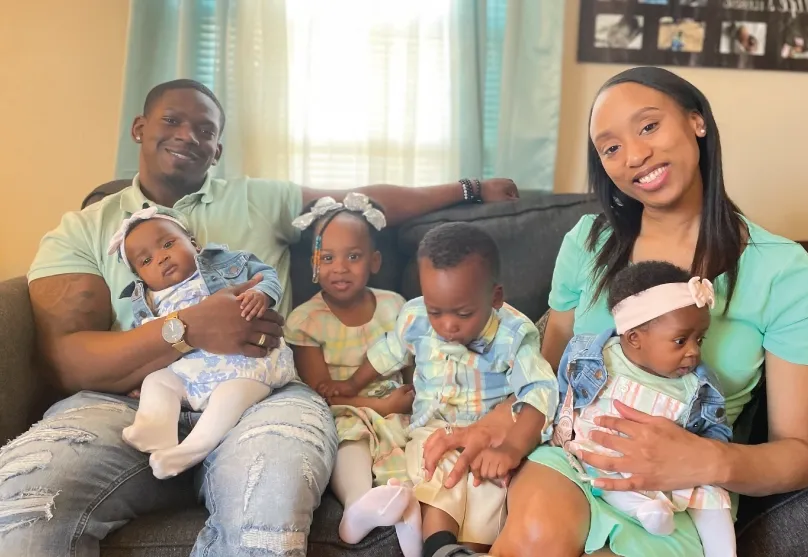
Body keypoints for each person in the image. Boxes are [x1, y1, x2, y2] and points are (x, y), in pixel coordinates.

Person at [0, 78, 518, 557]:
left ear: (218, 149)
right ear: (139, 128)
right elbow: (65, 358)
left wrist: (467, 189)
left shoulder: (256, 199)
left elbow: (361, 206)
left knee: (272, 499)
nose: (188, 136)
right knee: (28, 497)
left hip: (263, 395)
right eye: (172, 121)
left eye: (205, 130)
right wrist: (187, 329)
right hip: (128, 401)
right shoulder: (85, 230)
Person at [418, 66, 808, 557]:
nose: (634, 155)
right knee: (536, 537)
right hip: (572, 461)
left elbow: (801, 455)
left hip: (679, 495)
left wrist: (706, 460)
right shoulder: (588, 243)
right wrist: (493, 424)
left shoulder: (783, 270)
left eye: (649, 126)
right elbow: (544, 376)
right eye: (610, 147)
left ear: (696, 121)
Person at [337, 222, 558, 557]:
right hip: (431, 428)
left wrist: (511, 448)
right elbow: (387, 353)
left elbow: (540, 391)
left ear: (495, 297)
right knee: (437, 472)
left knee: (487, 486)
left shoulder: (514, 334)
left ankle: (466, 549)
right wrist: (350, 385)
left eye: (464, 313)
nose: (447, 325)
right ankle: (439, 546)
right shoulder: (414, 317)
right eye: (435, 311)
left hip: (490, 434)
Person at [552, 261, 735, 556]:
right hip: (602, 456)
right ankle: (645, 512)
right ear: (634, 337)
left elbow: (716, 432)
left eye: (700, 339)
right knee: (605, 475)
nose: (695, 351)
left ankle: (724, 551)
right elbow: (562, 391)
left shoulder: (698, 386)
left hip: (670, 469)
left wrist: (696, 459)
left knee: (713, 493)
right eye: (680, 340)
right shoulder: (595, 357)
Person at [113, 206, 297, 479]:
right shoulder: (147, 301)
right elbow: (146, 346)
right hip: (192, 370)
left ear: (195, 244)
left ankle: (190, 450)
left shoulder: (223, 265)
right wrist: (137, 380)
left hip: (244, 363)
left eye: (167, 244)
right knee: (157, 382)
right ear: (141, 278)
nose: (161, 258)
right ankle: (155, 430)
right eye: (146, 261)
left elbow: (265, 275)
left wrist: (261, 293)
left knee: (230, 398)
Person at [285, 193, 419, 556]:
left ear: (374, 261)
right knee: (352, 437)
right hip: (343, 407)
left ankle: (408, 506)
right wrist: (378, 403)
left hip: (396, 405)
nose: (339, 268)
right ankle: (359, 503)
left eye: (353, 257)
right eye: (327, 258)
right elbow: (320, 393)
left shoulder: (395, 306)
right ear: (313, 264)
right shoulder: (307, 319)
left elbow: (412, 368)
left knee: (414, 439)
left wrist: (405, 401)